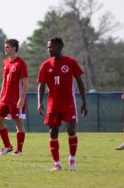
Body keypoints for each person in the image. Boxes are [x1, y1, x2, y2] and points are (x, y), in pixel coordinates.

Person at [37, 37, 88, 171]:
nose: (48, 49)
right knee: (53, 132)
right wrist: (39, 102)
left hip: (68, 104)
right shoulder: (45, 65)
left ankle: (72, 159)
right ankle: (57, 163)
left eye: (51, 47)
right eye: (48, 47)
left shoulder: (70, 62)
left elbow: (80, 82)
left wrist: (84, 102)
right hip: (53, 105)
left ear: (60, 47)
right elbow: (41, 86)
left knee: (71, 130)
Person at [0, 39, 28, 156]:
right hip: (5, 99)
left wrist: (21, 98)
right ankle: (7, 146)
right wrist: (0, 98)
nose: (5, 49)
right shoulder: (5, 62)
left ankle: (19, 150)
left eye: (7, 47)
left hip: (16, 99)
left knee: (18, 123)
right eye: (5, 47)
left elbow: (25, 83)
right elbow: (4, 82)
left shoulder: (21, 63)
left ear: (14, 48)